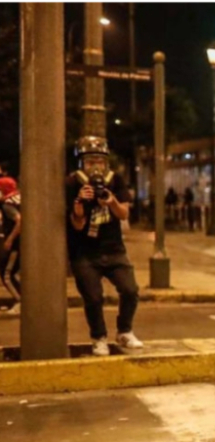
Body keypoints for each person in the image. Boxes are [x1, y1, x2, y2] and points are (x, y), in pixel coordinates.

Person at [65, 136, 142, 356]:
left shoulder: (115, 181)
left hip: (114, 249)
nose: (96, 167)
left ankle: (124, 331)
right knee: (93, 297)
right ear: (81, 164)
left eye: (99, 161)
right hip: (84, 253)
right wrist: (79, 203)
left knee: (130, 290)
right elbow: (77, 225)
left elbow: (124, 213)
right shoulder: (72, 184)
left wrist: (111, 201)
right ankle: (98, 337)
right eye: (90, 162)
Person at [0, 169, 20, 314]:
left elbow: (20, 221)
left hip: (16, 244)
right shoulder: (20, 198)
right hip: (22, 243)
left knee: (7, 274)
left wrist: (10, 239)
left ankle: (21, 301)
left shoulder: (8, 204)